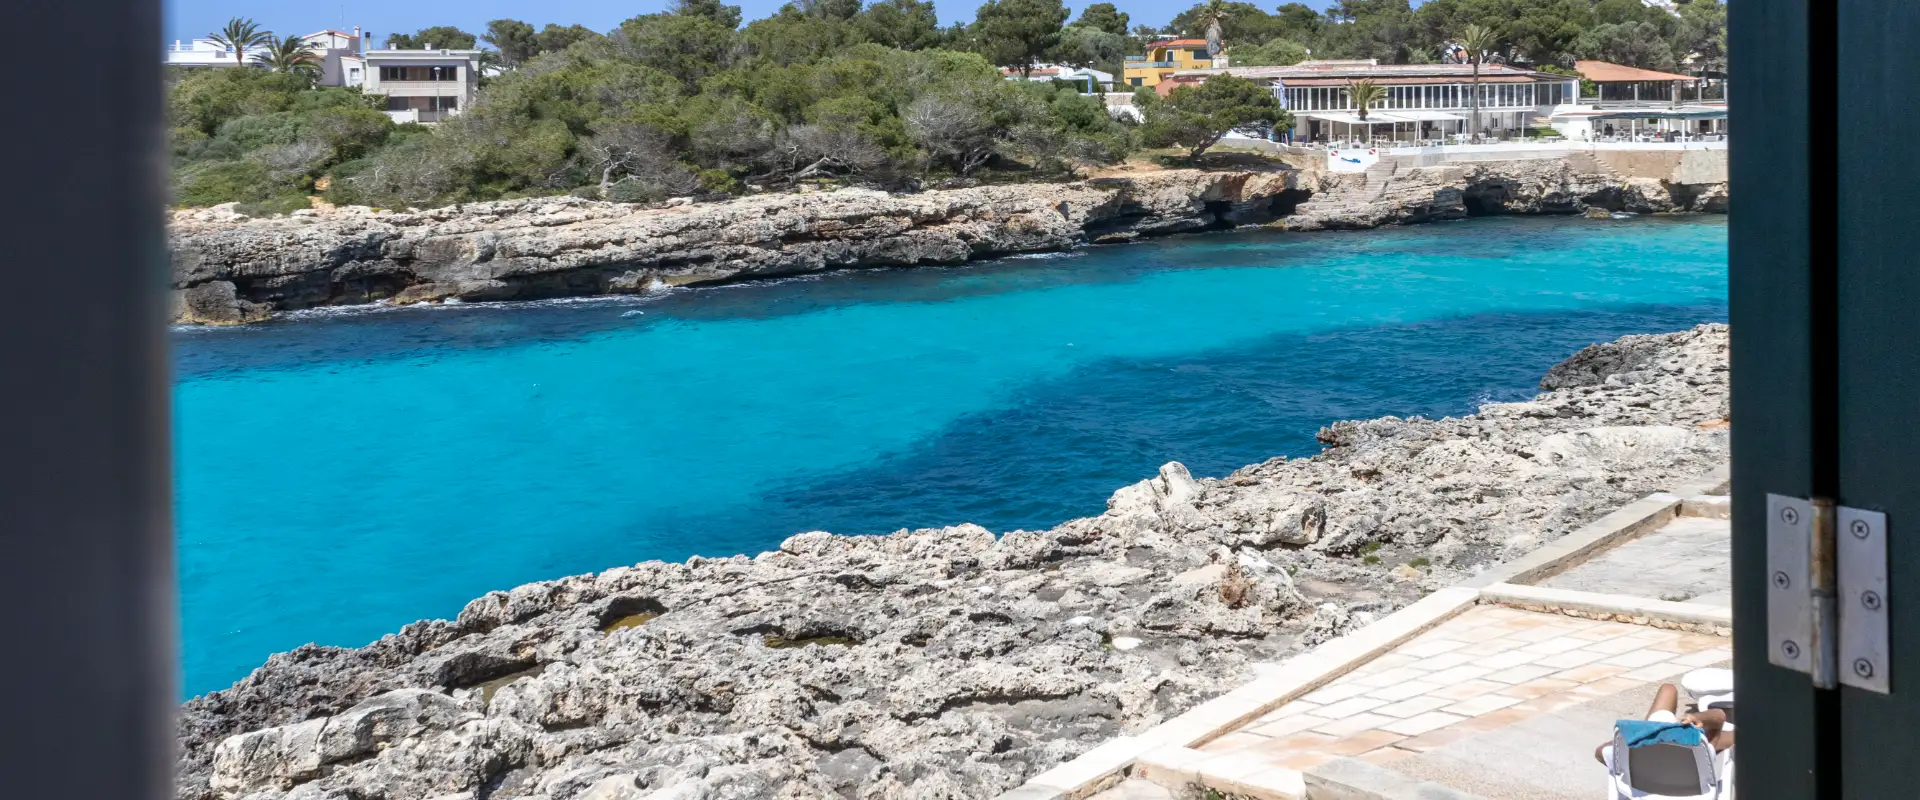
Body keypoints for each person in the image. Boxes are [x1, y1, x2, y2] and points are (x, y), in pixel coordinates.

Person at [1595, 683, 1734, 798]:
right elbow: (1719, 716)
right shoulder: (1700, 749)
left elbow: (1600, 752)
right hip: (1679, 750)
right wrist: (1698, 717)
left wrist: (1625, 743)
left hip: (1647, 761)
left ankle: (1647, 730)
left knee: (1668, 689)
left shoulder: (1635, 759)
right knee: (1734, 737)